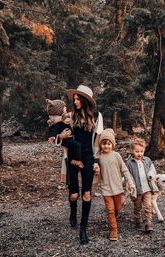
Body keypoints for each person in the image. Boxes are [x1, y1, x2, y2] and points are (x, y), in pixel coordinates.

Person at [57, 85, 103, 245]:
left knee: (87, 194)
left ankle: (83, 229)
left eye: (77, 99)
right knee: (74, 195)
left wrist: (97, 161)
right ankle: (73, 211)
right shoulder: (69, 116)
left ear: (84, 100)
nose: (74, 102)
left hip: (89, 157)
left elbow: (98, 140)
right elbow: (60, 135)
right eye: (74, 99)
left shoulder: (97, 117)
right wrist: (60, 136)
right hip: (73, 157)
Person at [98, 128, 136, 241]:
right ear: (100, 145)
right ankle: (113, 230)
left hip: (117, 188)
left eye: (109, 144)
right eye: (104, 144)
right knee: (110, 210)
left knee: (117, 208)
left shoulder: (116, 156)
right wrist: (96, 170)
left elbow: (124, 170)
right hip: (106, 188)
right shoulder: (98, 157)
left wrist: (131, 182)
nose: (106, 146)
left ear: (112, 144)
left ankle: (112, 218)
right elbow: (96, 173)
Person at [126, 138, 159, 233]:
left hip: (147, 188)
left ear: (144, 150)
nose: (139, 153)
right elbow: (128, 175)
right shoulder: (129, 163)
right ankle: (137, 220)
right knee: (137, 207)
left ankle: (148, 222)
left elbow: (152, 169)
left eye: (141, 151)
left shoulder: (147, 160)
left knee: (148, 205)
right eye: (137, 151)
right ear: (132, 151)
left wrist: (151, 175)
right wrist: (131, 185)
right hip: (137, 190)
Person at [46, 99, 83, 169]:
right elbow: (54, 130)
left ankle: (76, 159)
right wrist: (52, 136)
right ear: (59, 110)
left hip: (70, 138)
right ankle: (76, 160)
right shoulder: (58, 121)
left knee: (76, 145)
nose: (66, 108)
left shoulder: (67, 117)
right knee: (77, 145)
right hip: (66, 140)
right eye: (64, 107)